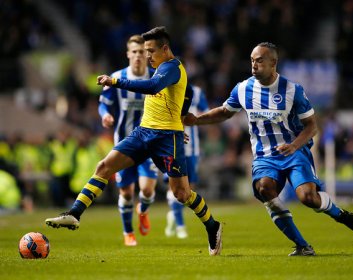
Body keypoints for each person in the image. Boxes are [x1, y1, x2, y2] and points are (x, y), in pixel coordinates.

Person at [45, 26, 222, 256]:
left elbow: (151, 87)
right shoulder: (161, 68)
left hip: (167, 138)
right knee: (104, 166)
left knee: (182, 194)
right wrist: (180, 116)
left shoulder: (172, 67)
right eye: (144, 51)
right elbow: (185, 93)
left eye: (151, 50)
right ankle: (74, 214)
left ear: (165, 49)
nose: (147, 55)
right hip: (143, 132)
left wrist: (115, 81)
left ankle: (212, 225)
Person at [183, 42, 353, 256]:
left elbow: (312, 126)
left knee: (308, 197)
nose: (254, 65)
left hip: (295, 152)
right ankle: (302, 246)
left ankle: (339, 213)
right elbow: (225, 112)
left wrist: (294, 145)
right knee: (264, 189)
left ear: (273, 63)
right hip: (264, 157)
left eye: (260, 60)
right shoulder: (243, 89)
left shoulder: (292, 90)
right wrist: (195, 120)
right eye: (252, 60)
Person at [97, 35, 158, 247]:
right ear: (128, 54)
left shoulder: (155, 77)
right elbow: (103, 103)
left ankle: (143, 210)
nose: (138, 56)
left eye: (142, 52)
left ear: (147, 54)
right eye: (134, 52)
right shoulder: (117, 77)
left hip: (150, 144)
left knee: (148, 190)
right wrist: (105, 115)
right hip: (124, 144)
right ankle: (128, 232)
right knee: (126, 192)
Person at [164, 83, 209, 239]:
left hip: (192, 148)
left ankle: (174, 215)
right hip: (171, 146)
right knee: (174, 186)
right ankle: (181, 225)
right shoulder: (163, 89)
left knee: (189, 190)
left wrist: (195, 116)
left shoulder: (196, 91)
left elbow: (205, 112)